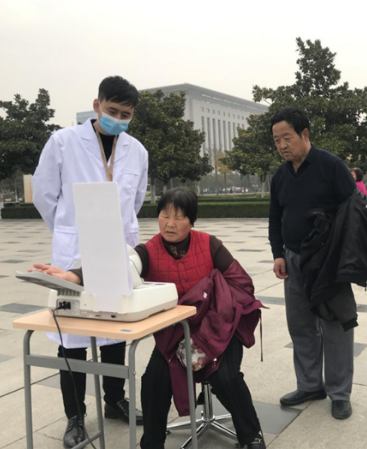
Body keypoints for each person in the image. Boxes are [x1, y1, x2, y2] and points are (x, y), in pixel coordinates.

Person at [32, 188, 266, 449]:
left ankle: (251, 435)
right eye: (164, 215)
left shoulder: (210, 245)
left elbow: (242, 284)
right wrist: (74, 276)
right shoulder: (149, 250)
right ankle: (152, 443)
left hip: (219, 332)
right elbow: (117, 268)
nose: (170, 223)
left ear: (191, 221)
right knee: (154, 380)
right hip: (177, 337)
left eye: (178, 217)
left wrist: (215, 310)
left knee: (225, 376)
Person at [32, 76, 147, 447]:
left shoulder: (137, 151)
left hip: (116, 251)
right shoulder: (63, 142)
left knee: (115, 330)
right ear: (97, 105)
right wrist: (69, 231)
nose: (118, 119)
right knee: (73, 337)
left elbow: (136, 200)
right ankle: (76, 417)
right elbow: (44, 194)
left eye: (126, 114)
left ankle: (114, 400)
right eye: (112, 111)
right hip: (73, 252)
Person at [269, 107, 357, 420]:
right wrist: (278, 253)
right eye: (276, 140)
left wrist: (347, 259)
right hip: (294, 259)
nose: (281, 145)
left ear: (305, 134)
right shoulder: (280, 175)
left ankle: (339, 393)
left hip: (328, 260)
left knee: (335, 326)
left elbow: (355, 211)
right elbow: (275, 217)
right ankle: (309, 385)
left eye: (287, 137)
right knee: (301, 325)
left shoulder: (331, 166)